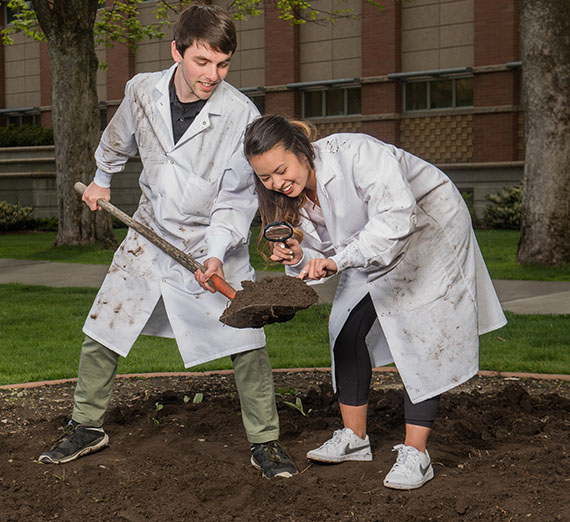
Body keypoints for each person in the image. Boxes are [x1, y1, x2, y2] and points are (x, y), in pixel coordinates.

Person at [38, 6, 297, 480]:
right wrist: (100, 181)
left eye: (222, 64)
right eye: (201, 62)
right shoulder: (141, 90)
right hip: (150, 232)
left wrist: (216, 252)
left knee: (245, 337)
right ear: (177, 51)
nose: (212, 75)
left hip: (210, 240)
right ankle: (86, 425)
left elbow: (235, 200)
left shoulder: (241, 114)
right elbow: (118, 138)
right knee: (105, 326)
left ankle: (266, 442)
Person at [243, 114, 507, 489]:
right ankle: (355, 439)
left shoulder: (358, 154)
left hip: (426, 229)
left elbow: (395, 220)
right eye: (265, 178)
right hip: (369, 244)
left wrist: (338, 259)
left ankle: (417, 454)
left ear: (302, 150)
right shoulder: (295, 192)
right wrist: (300, 256)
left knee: (421, 336)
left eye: (281, 170)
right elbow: (324, 250)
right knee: (346, 330)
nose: (277, 183)